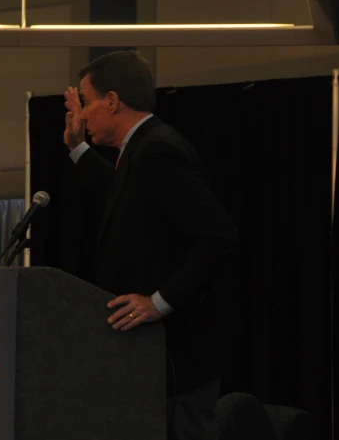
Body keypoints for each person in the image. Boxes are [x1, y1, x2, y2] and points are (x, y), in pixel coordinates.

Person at [63, 50, 239, 440]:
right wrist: (76, 147)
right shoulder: (142, 149)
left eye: (88, 103)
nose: (84, 115)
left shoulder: (157, 150)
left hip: (177, 358)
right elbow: (122, 196)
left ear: (112, 101)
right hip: (151, 359)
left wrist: (157, 301)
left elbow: (219, 236)